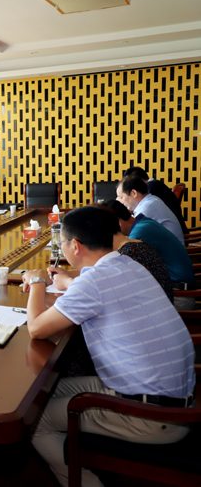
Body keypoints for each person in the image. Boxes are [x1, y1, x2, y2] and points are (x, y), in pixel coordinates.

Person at [22, 206, 195, 487]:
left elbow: (37, 328)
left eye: (62, 242)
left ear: (75, 246)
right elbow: (88, 294)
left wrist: (38, 280)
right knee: (43, 394)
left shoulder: (94, 281)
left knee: (32, 420)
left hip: (153, 415)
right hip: (174, 397)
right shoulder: (128, 264)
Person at [48, 204, 174, 302]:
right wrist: (68, 273)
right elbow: (102, 276)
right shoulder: (132, 246)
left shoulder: (127, 255)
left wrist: (67, 282)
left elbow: (100, 291)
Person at [104, 199, 196, 309]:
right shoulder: (143, 223)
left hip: (180, 296)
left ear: (117, 223)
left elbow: (117, 269)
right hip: (177, 290)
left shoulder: (138, 234)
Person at [116, 176, 184, 244]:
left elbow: (132, 237)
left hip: (169, 249)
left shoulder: (147, 207)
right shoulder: (150, 201)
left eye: (121, 197)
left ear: (134, 193)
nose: (121, 202)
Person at [123, 166, 188, 234]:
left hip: (172, 233)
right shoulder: (155, 184)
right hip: (175, 230)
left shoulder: (150, 186)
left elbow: (141, 216)